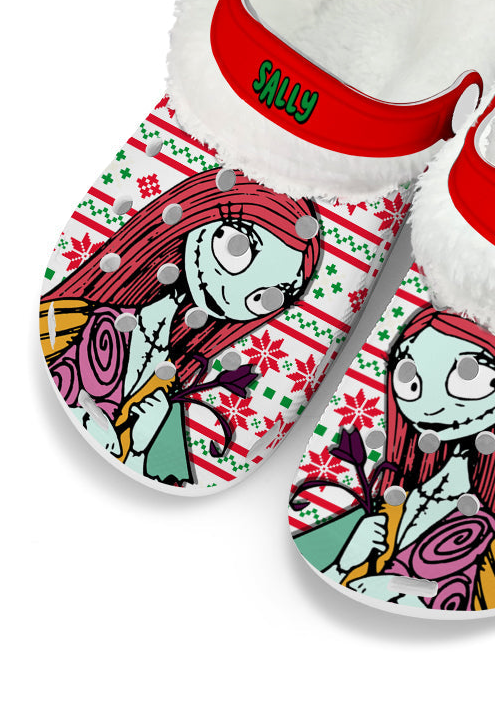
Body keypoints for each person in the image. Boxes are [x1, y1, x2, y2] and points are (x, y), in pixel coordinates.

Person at [39, 169, 321, 485]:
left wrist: (139, 444)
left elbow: (159, 473)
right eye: (237, 247)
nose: (234, 293)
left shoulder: (171, 384)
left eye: (266, 296)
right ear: (200, 213)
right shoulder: (75, 318)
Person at [293, 306, 495, 610]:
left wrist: (403, 593)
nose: (431, 407)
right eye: (409, 378)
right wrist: (345, 563)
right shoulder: (386, 509)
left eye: (469, 374)